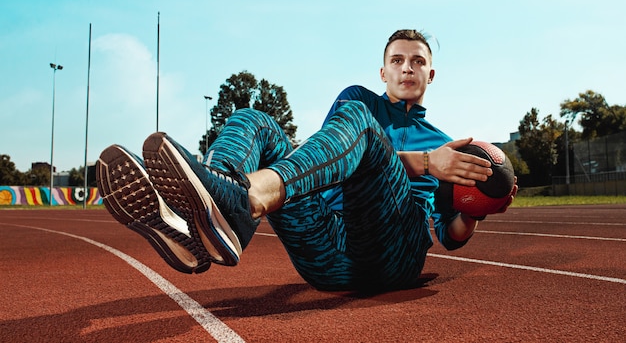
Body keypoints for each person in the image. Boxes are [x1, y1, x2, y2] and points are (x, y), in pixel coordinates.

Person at [96, 29, 517, 292]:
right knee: (254, 119)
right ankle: (215, 210)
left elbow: (451, 234)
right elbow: (337, 165)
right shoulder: (360, 101)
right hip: (326, 258)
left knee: (360, 125)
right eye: (397, 60)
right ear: (383, 72)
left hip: (393, 256)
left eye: (418, 61)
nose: (407, 68)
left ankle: (240, 202)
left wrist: (479, 204)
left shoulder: (446, 145)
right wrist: (426, 162)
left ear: (431, 74)